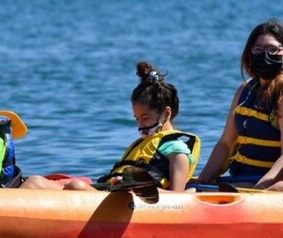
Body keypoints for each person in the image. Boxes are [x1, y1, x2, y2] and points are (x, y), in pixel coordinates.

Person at [21, 61, 201, 192]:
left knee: (75, 187)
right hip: (110, 194)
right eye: (137, 119)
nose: (140, 126)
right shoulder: (141, 145)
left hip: (131, 204)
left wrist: (134, 187)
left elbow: (177, 199)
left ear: (166, 113)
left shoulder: (177, 150)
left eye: (145, 118)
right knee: (35, 181)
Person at [195, 19, 283, 189]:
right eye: (258, 49)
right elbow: (226, 143)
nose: (265, 55)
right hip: (240, 179)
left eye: (273, 49)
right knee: (190, 188)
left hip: (275, 183)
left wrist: (260, 189)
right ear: (249, 54)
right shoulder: (245, 90)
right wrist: (201, 180)